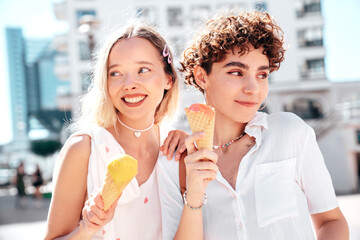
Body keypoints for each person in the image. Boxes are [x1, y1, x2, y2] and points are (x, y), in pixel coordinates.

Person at [158, 11, 349, 240]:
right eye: (236, 72)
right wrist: (194, 196)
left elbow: (331, 221)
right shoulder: (177, 163)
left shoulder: (290, 133)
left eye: (262, 75)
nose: (253, 89)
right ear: (201, 77)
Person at [45, 20, 187, 240]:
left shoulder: (179, 151)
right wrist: (87, 228)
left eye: (143, 70)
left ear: (168, 79)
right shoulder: (84, 149)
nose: (129, 84)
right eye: (115, 73)